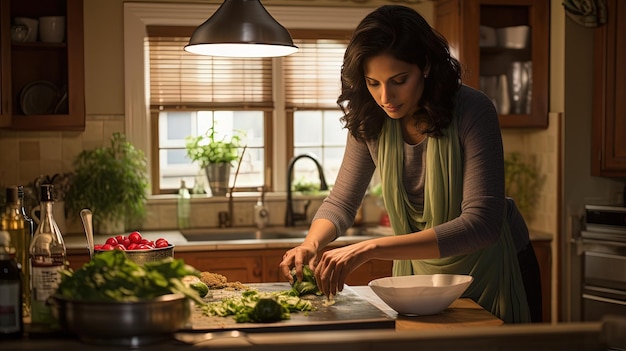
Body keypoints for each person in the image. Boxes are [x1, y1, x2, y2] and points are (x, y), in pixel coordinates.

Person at [279, 5, 542, 324]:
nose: (385, 96)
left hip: (490, 270)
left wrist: (369, 248)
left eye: (399, 80)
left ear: (426, 66)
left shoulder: (473, 110)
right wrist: (311, 244)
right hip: (418, 277)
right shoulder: (370, 119)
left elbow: (481, 224)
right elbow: (342, 201)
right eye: (373, 83)